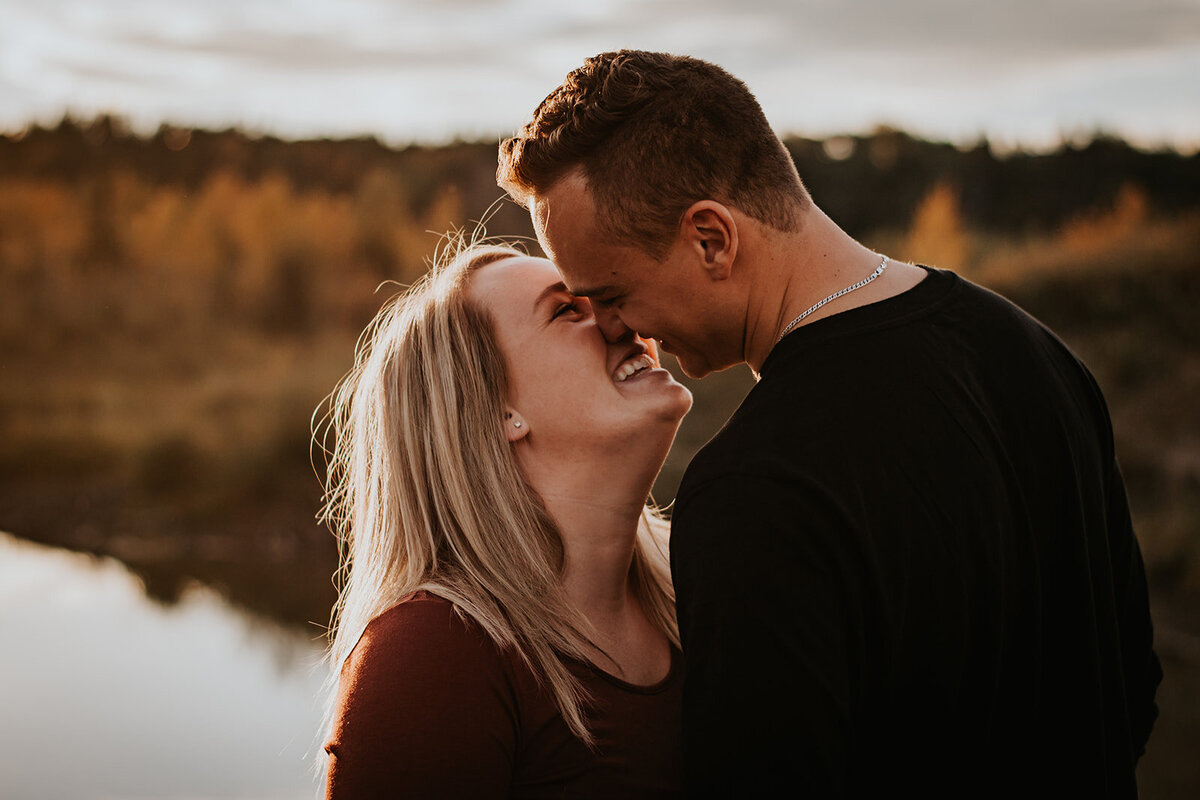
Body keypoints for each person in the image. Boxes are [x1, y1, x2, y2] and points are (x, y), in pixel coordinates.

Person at [498, 50, 1162, 797]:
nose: (619, 331)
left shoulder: (755, 491)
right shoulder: (1038, 354)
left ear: (711, 238)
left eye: (613, 295)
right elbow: (1130, 688)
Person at [317, 239, 693, 798]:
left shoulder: (705, 586)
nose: (622, 320)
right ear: (497, 410)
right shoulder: (433, 655)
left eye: (606, 295)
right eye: (569, 309)